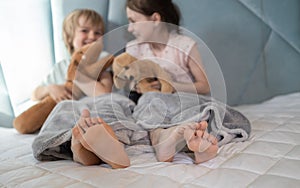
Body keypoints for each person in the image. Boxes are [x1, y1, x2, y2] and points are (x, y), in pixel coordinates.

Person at [124, 0, 218, 164]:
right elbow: (128, 83)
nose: (129, 28)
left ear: (154, 19)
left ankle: (193, 141)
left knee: (200, 110)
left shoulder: (184, 45)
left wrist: (171, 86)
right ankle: (164, 139)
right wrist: (138, 86)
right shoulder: (134, 48)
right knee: (147, 104)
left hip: (181, 100)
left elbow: (204, 86)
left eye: (133, 21)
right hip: (154, 103)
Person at [32, 9, 112, 102]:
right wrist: (51, 88)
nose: (92, 36)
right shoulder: (61, 66)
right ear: (70, 37)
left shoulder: (102, 61)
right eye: (84, 30)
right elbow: (34, 95)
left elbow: (105, 93)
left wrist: (77, 77)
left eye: (97, 33)